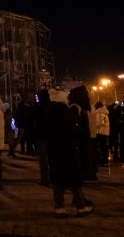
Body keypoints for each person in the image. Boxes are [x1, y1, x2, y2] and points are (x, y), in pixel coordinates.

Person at [46, 88, 93, 218]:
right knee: (75, 180)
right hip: (68, 150)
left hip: (54, 151)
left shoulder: (49, 113)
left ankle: (60, 208)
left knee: (58, 181)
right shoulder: (66, 112)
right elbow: (74, 131)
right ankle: (81, 207)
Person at [68, 85, 98, 181]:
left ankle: (84, 174)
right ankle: (89, 173)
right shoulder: (83, 108)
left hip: (80, 139)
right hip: (85, 138)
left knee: (83, 157)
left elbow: (74, 124)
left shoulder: (75, 107)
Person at [94, 101, 110, 167]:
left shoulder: (99, 112)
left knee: (101, 147)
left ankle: (102, 161)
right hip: (105, 132)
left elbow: (99, 123)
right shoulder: (105, 112)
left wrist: (94, 125)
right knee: (104, 147)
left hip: (100, 132)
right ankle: (105, 161)